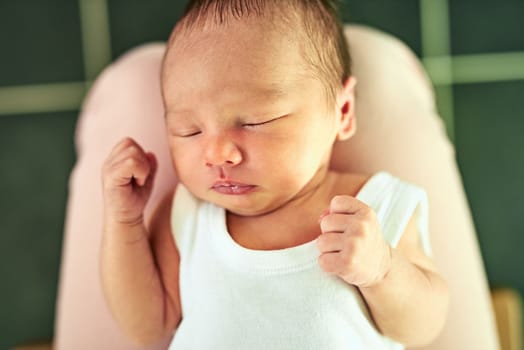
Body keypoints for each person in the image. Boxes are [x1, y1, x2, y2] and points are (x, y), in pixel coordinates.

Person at [99, 1, 448, 349]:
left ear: (342, 111)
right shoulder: (188, 215)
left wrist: (382, 270)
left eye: (255, 122)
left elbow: (422, 328)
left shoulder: (373, 208)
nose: (217, 153)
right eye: (189, 130)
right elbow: (148, 327)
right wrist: (124, 220)